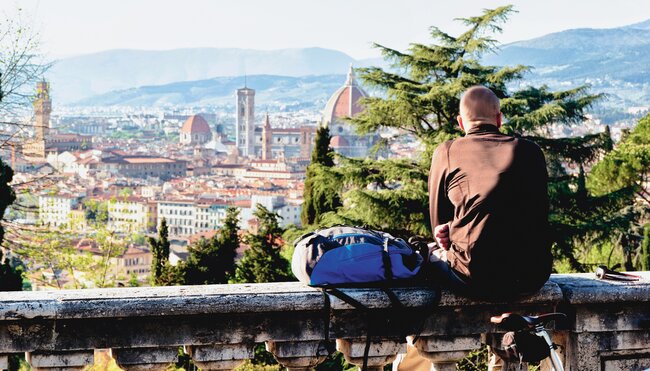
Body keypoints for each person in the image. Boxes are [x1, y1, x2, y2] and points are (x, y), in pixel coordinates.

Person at [395, 85, 552, 370]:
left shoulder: (448, 151)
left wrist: (446, 231)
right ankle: (506, 340)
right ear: (499, 118)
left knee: (424, 259)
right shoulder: (530, 151)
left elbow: (436, 222)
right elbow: (539, 216)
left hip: (474, 277)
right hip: (532, 276)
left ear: (460, 122)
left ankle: (409, 362)